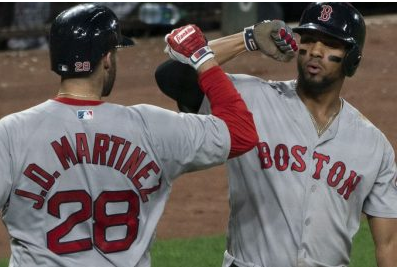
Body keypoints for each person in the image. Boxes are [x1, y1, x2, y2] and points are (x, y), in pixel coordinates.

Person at [0, 4, 259, 267]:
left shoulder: (9, 132)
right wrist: (203, 58)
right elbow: (241, 132)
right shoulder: (152, 127)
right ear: (107, 59)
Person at [155, 3, 397, 267]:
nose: (315, 51)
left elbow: (389, 243)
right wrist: (247, 39)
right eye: (308, 39)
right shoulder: (251, 100)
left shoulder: (374, 145)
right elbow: (173, 76)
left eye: (330, 44)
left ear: (352, 59)